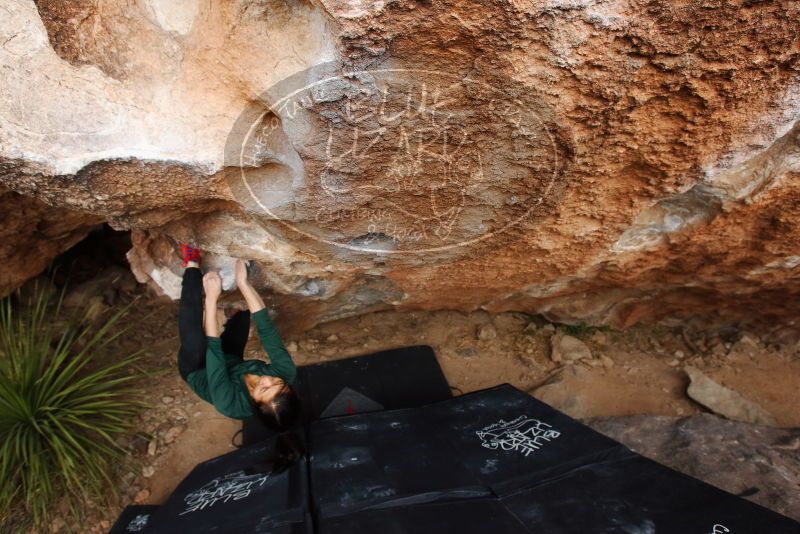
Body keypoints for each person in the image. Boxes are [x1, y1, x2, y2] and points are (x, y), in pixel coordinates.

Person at [176, 244, 301, 431]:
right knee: (244, 315)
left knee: (194, 340)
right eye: (278, 383)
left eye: (264, 389)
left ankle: (192, 264)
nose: (267, 378)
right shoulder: (286, 372)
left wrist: (211, 297)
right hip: (233, 361)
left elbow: (213, 349)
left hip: (199, 368)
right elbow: (266, 328)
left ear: (255, 403)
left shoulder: (229, 403)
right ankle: (233, 314)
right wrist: (243, 282)